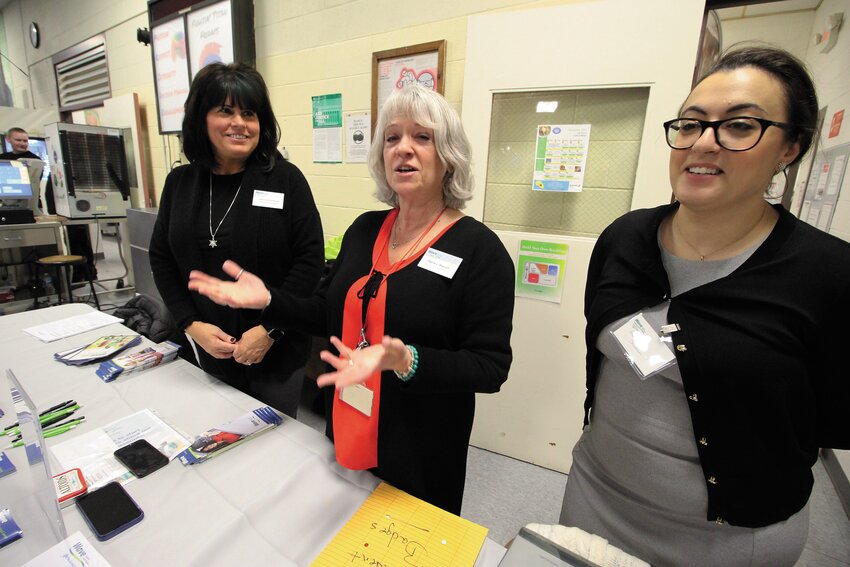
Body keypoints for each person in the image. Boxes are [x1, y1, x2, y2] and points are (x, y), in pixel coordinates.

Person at [558, 46, 850, 566]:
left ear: (790, 148)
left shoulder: (826, 274)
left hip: (726, 539)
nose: (703, 143)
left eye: (739, 126)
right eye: (691, 124)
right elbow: (611, 344)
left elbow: (835, 419)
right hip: (595, 494)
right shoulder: (625, 238)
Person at [187, 84, 515, 514]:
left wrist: (406, 360)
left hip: (418, 446)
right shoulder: (365, 230)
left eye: (422, 137)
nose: (404, 150)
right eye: (392, 138)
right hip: (344, 422)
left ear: (449, 154)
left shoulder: (479, 250)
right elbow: (327, 312)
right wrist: (270, 299)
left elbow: (490, 367)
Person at [149, 62, 324, 418]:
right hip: (205, 348)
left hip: (276, 351)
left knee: (272, 448)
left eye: (250, 113)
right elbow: (161, 257)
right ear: (201, 118)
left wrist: (270, 330)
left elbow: (309, 262)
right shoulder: (179, 183)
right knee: (213, 438)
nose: (240, 123)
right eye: (225, 111)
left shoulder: (285, 179)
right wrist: (191, 325)